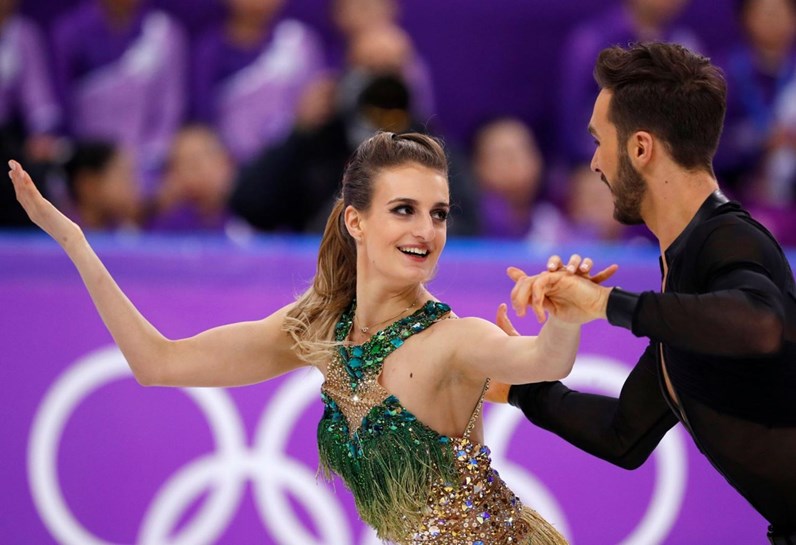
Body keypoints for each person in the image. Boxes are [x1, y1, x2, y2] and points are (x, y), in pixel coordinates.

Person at [6, 131, 600, 544]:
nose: (427, 230)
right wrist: (75, 245)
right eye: (405, 209)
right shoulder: (319, 331)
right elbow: (157, 362)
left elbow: (544, 361)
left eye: (439, 213)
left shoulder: (456, 339)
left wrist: (565, 318)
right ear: (355, 220)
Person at [499, 42, 796, 543]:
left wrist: (605, 304)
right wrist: (516, 388)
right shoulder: (683, 278)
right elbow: (624, 434)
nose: (594, 163)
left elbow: (762, 324)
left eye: (599, 141)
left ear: (640, 148)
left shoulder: (726, 239)